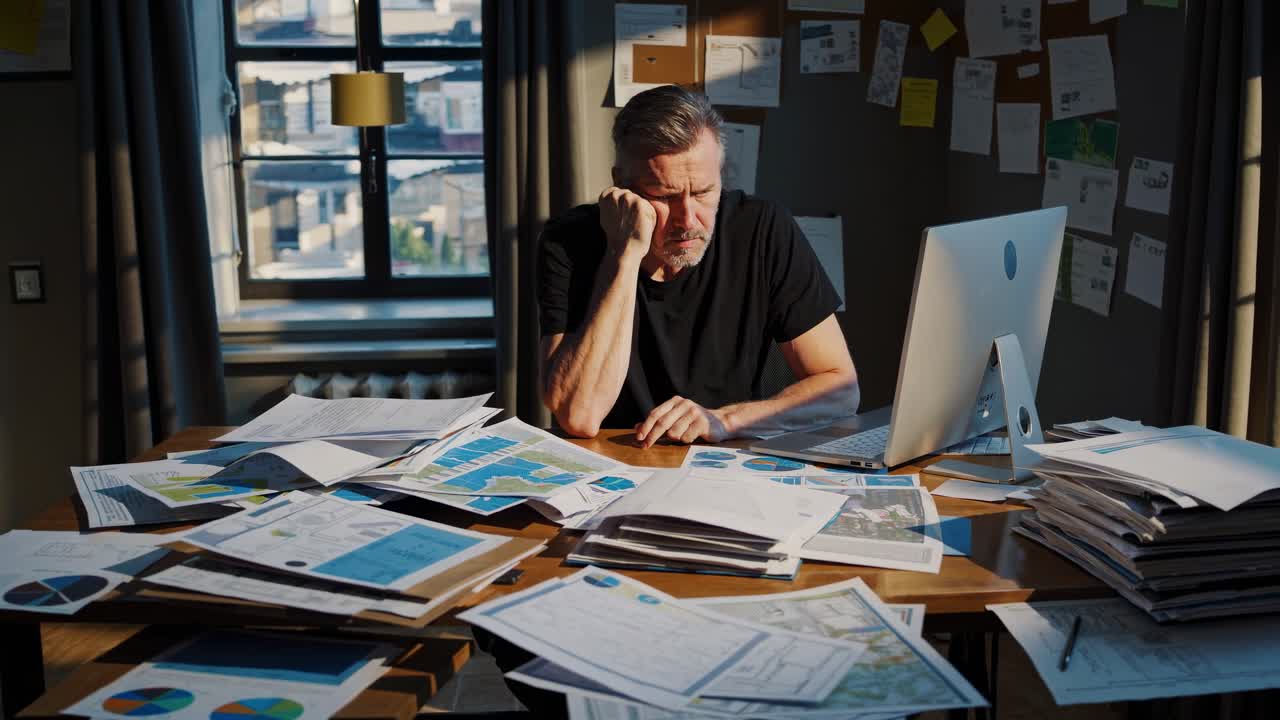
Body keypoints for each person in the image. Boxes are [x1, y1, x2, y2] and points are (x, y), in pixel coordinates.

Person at [538, 84, 860, 446]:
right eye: (665, 197)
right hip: (617, 464)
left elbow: (840, 388)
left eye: (705, 192)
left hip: (727, 462)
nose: (688, 219)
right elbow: (578, 415)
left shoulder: (762, 228)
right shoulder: (568, 241)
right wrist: (623, 256)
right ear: (621, 187)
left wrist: (725, 420)